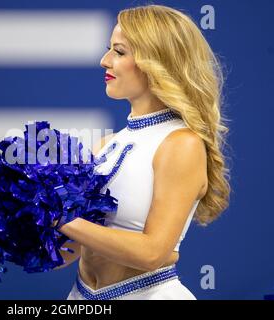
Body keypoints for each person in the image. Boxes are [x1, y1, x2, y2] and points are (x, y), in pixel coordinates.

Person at [54, 4, 231, 300]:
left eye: (119, 52)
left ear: (157, 62)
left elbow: (152, 253)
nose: (104, 61)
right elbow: (69, 252)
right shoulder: (105, 145)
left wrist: (62, 219)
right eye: (108, 49)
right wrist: (16, 217)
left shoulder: (181, 143)